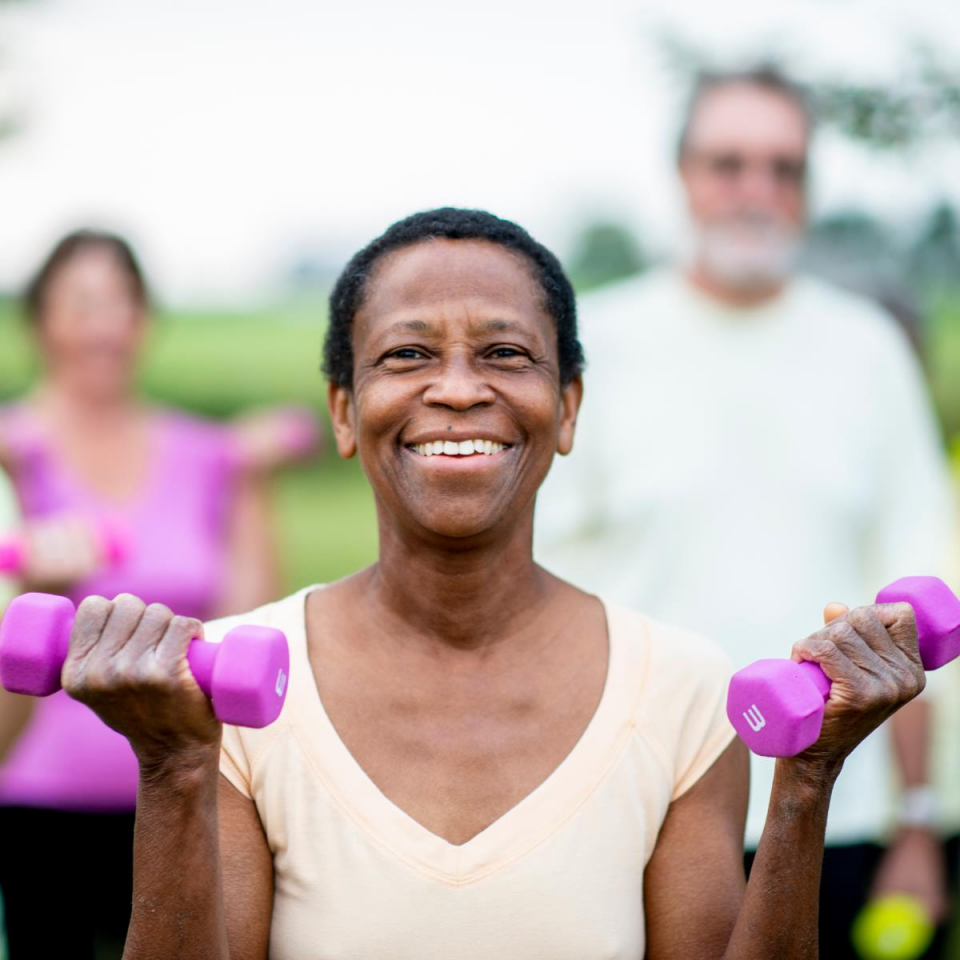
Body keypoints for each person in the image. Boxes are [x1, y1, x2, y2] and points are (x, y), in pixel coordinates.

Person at [54, 208, 926, 960]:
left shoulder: (682, 693)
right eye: (406, 354)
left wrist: (808, 780)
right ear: (344, 412)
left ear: (569, 406)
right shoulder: (237, 695)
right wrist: (172, 766)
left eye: (506, 352)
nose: (459, 389)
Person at [535, 68, 956, 956]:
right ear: (683, 176)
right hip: (634, 815)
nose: (756, 189)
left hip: (847, 815)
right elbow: (533, 595)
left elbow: (917, 603)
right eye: (728, 163)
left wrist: (918, 823)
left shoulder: (869, 351)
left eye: (783, 167)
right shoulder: (589, 346)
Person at [0, 230, 315, 959]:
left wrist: (251, 482)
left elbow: (246, 628)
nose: (104, 324)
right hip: (40, 805)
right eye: (81, 304)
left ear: (145, 321)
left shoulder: (206, 454)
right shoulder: (12, 451)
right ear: (41, 321)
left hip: (182, 796)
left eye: (121, 303)